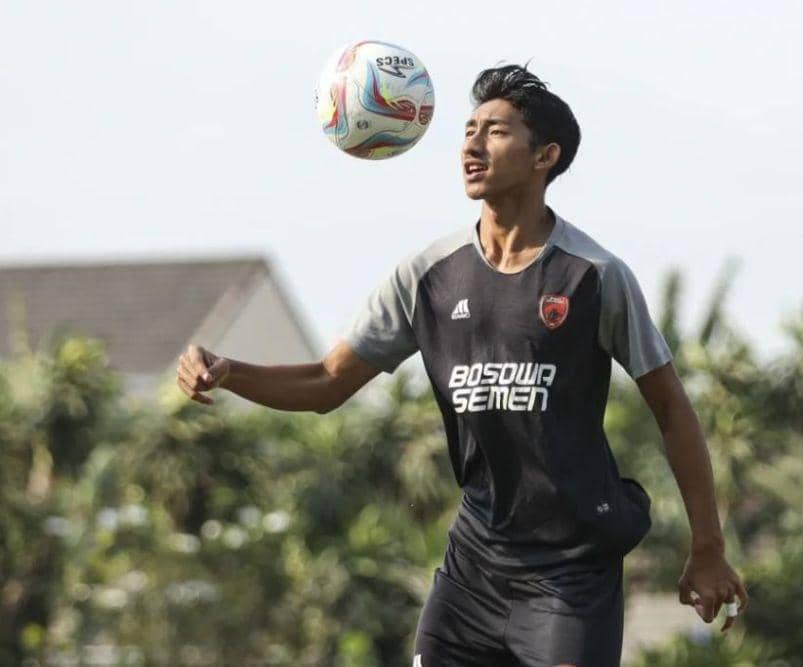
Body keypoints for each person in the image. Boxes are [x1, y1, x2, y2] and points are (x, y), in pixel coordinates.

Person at [176, 64, 748, 667]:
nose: (472, 146)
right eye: (468, 130)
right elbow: (326, 383)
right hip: (472, 570)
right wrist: (231, 370)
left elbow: (671, 411)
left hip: (570, 574)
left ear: (544, 156)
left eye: (496, 132)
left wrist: (707, 545)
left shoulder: (594, 276)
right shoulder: (428, 276)